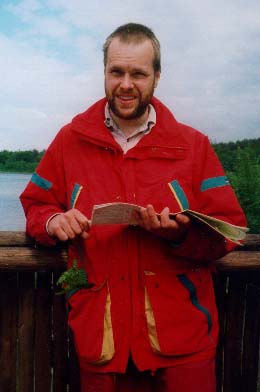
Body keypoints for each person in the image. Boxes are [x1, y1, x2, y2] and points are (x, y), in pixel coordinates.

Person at [20, 23, 247, 392]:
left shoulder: (193, 146)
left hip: (183, 343)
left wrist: (181, 234)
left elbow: (232, 229)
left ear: (157, 76)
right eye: (117, 72)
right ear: (105, 73)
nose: (126, 84)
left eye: (138, 73)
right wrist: (52, 221)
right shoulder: (69, 140)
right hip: (102, 340)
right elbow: (35, 203)